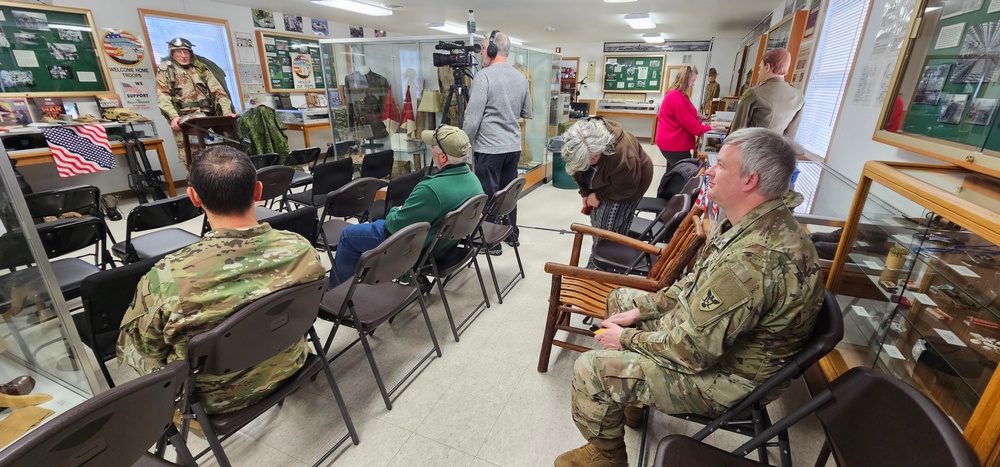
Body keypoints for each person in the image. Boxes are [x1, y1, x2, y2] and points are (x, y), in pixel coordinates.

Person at [556, 128, 823, 467]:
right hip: (720, 347)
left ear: (749, 180)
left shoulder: (755, 260)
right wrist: (641, 312)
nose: (708, 170)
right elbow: (693, 285)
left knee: (590, 369)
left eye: (721, 165)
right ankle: (631, 402)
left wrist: (627, 337)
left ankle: (607, 456)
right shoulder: (755, 224)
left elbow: (690, 353)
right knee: (623, 299)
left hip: (728, 378)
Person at [117, 146, 326, 415]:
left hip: (214, 401)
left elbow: (148, 346)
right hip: (291, 364)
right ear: (258, 192)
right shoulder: (301, 249)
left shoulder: (167, 277)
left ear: (193, 197)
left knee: (131, 345)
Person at [331, 125, 484, 287]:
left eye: (432, 147)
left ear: (443, 158)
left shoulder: (431, 190)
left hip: (415, 248)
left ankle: (336, 293)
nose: (430, 150)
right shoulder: (474, 181)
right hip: (443, 245)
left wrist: (394, 210)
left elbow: (394, 226)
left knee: (348, 235)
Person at [463, 29, 531, 254]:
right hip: (513, 147)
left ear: (492, 50)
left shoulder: (484, 76)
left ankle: (491, 244)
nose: (481, 53)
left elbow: (472, 120)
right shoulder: (520, 78)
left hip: (490, 148)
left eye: (482, 48)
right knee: (508, 193)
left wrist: (464, 145)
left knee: (489, 195)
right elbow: (527, 112)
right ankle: (512, 234)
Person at [561, 117, 653, 268]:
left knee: (609, 228)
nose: (591, 162)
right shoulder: (577, 143)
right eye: (586, 160)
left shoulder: (622, 156)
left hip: (630, 184)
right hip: (607, 178)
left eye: (594, 157)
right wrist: (585, 192)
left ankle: (606, 266)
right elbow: (577, 168)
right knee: (597, 222)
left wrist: (598, 196)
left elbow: (626, 188)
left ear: (602, 146)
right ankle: (598, 258)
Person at [155, 37, 238, 165]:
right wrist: (174, 117)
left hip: (208, 117)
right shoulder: (167, 70)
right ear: (172, 53)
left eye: (186, 52)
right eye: (179, 52)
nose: (183, 56)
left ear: (190, 53)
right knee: (192, 159)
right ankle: (194, 184)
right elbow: (163, 96)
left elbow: (219, 92)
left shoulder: (201, 69)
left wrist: (226, 111)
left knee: (219, 155)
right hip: (185, 120)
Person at [654, 66, 721, 169]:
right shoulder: (674, 96)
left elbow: (684, 115)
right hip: (673, 144)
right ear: (685, 80)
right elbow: (687, 121)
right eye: (692, 80)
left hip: (673, 142)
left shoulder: (680, 95)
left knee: (672, 173)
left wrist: (698, 118)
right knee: (686, 172)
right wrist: (706, 128)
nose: (693, 84)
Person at [730, 48, 805, 137]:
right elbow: (790, 135)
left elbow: (737, 130)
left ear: (767, 67)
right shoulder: (798, 96)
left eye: (760, 67)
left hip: (751, 148)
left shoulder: (754, 93)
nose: (758, 72)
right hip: (776, 149)